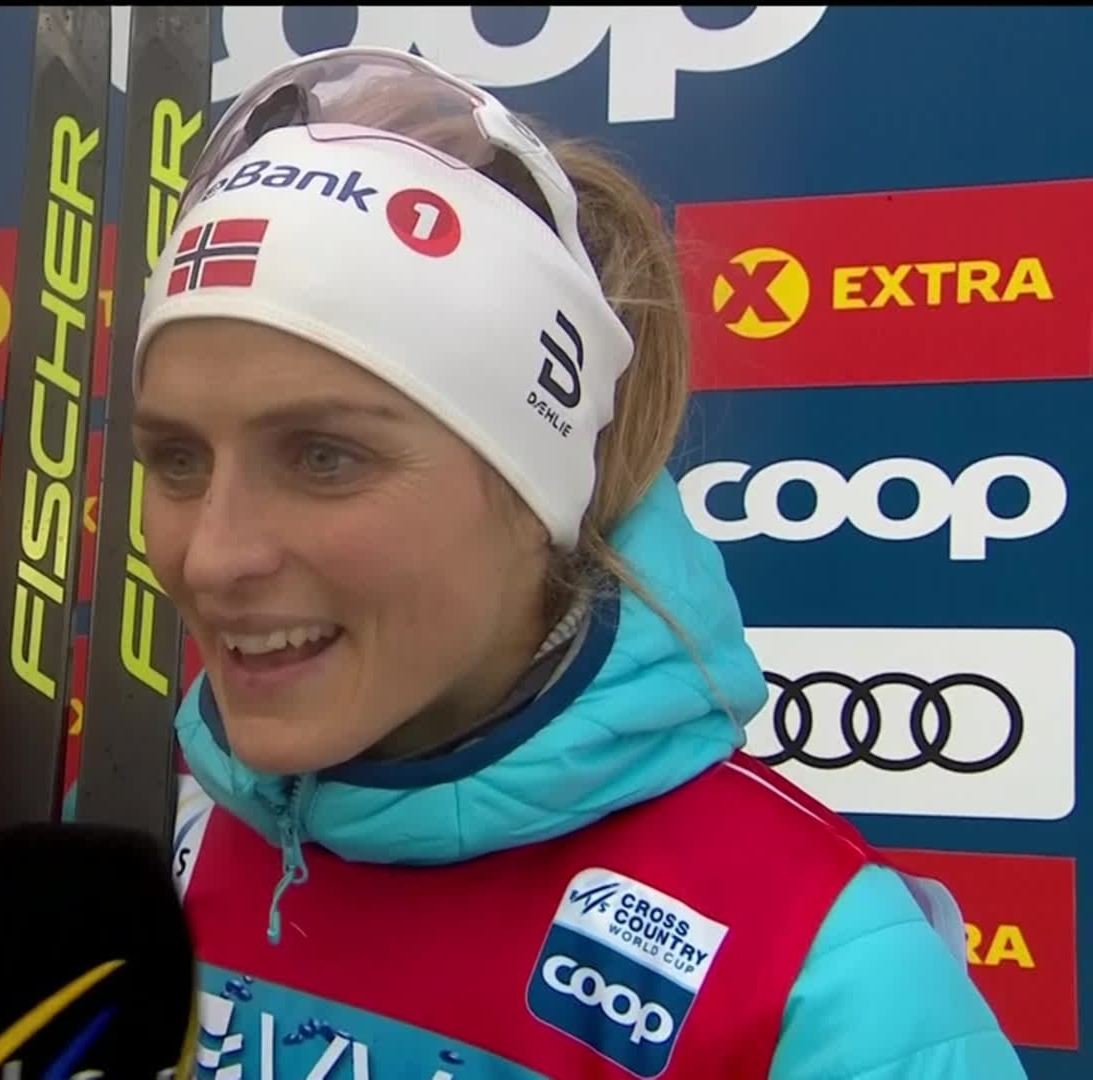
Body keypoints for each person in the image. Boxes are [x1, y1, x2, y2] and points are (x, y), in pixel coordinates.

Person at [126, 46, 1027, 1078]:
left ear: (541, 493)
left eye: (325, 458)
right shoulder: (143, 840)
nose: (215, 555)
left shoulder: (815, 976)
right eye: (178, 459)